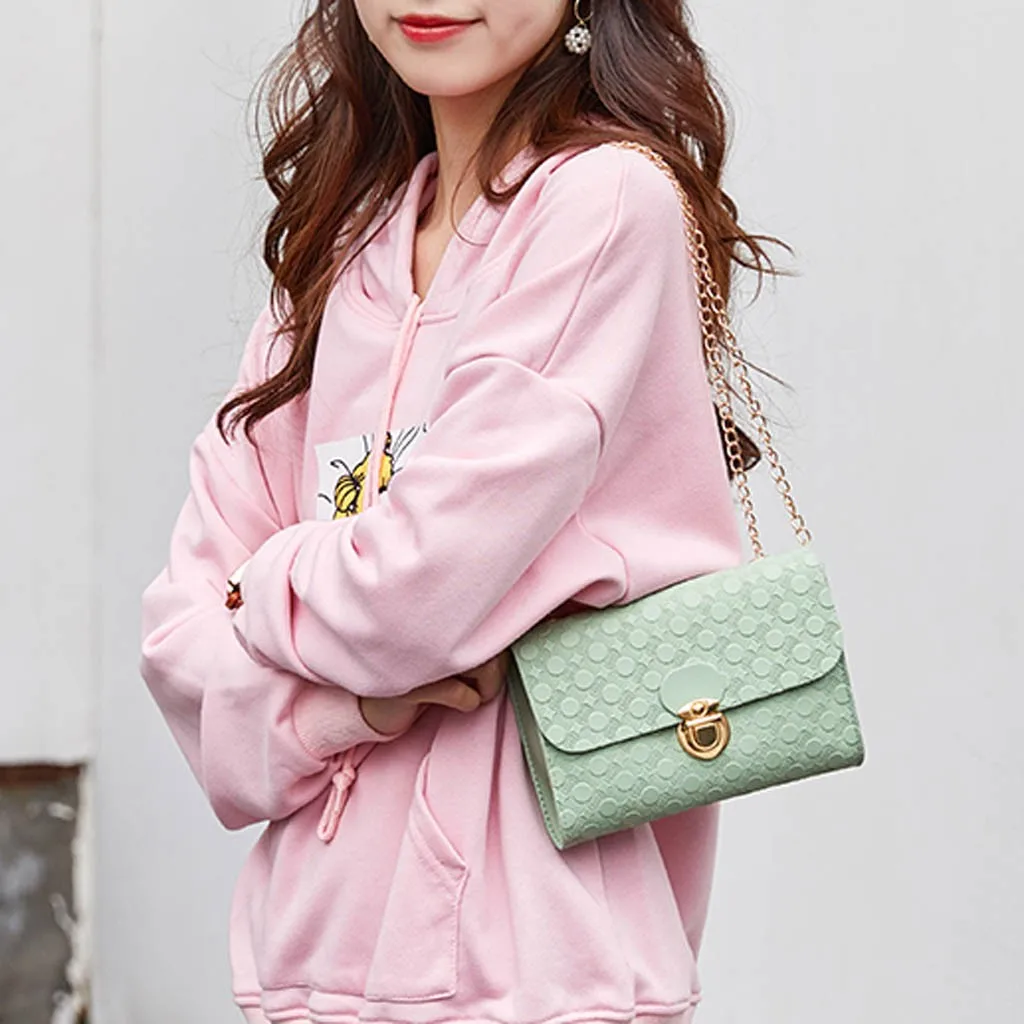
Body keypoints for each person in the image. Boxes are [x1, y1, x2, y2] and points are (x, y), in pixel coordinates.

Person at [139, 2, 786, 1022]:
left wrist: (261, 581)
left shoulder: (601, 202)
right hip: (307, 963)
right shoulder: (337, 248)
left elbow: (408, 593)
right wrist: (349, 706)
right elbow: (180, 649)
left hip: (540, 971)